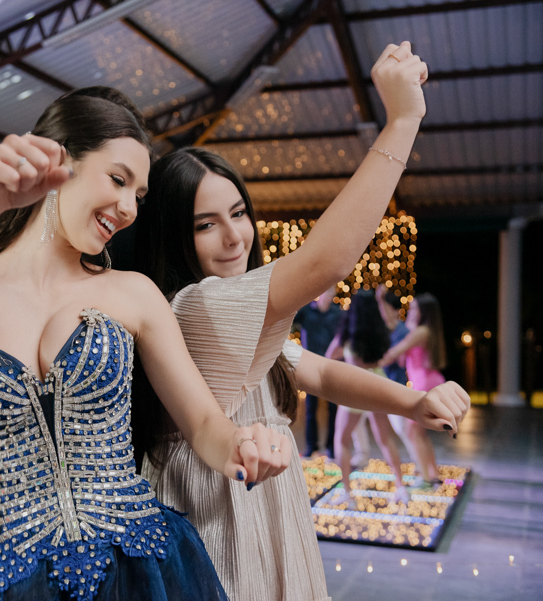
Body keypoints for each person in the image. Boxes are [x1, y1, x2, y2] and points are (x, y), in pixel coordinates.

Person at [0, 92, 294, 601]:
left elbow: (203, 424)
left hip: (139, 569)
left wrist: (239, 445)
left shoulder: (132, 293)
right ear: (59, 162)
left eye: (139, 194)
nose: (129, 208)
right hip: (12, 578)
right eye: (118, 180)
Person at [134, 43, 469, 600]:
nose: (235, 236)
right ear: (171, 236)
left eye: (238, 213)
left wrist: (413, 402)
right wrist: (402, 120)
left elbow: (318, 371)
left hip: (262, 509)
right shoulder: (190, 307)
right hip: (215, 517)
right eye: (205, 225)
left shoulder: (230, 314)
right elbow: (324, 263)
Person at [325, 291, 410, 508]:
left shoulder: (348, 333)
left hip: (355, 386)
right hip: (377, 383)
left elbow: (329, 357)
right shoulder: (379, 330)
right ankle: (401, 487)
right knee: (385, 439)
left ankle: (347, 492)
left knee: (342, 440)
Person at [380, 292, 448, 487]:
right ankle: (432, 474)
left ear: (424, 312)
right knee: (419, 433)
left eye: (415, 308)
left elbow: (395, 352)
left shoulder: (421, 332)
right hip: (428, 382)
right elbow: (403, 359)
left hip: (424, 385)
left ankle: (425, 478)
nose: (411, 311)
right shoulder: (424, 331)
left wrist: (370, 363)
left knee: (412, 432)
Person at [293, 286, 343, 458]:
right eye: (328, 293)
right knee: (311, 408)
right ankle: (311, 446)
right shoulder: (306, 311)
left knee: (333, 409)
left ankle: (331, 447)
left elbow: (342, 336)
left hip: (331, 366)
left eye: (332, 293)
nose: (330, 296)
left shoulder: (337, 313)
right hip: (310, 365)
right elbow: (289, 321)